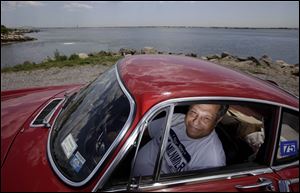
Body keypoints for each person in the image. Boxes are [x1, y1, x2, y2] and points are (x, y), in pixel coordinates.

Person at [132, 104, 229, 177]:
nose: (195, 122)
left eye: (206, 118)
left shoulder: (212, 162)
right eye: (193, 112)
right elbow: (145, 131)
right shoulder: (176, 119)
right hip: (129, 169)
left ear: (217, 120)